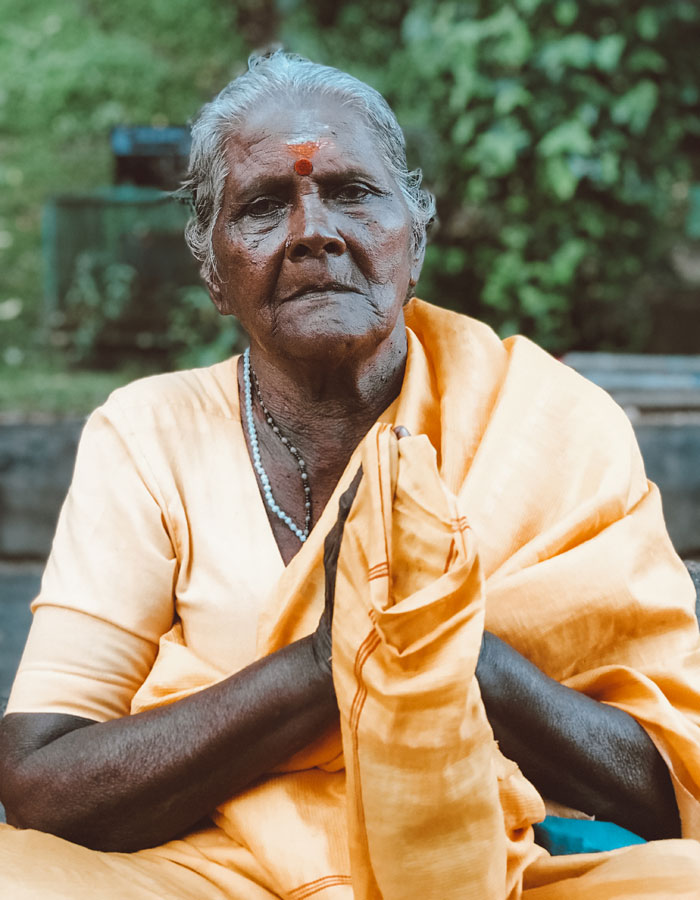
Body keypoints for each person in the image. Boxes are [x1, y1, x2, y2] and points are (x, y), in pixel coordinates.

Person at [1, 51, 700, 899]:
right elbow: (40, 779)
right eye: (262, 207)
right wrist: (320, 665)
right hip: (220, 875)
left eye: (354, 192)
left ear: (417, 235)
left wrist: (449, 645)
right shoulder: (148, 435)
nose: (313, 232)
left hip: (519, 870)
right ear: (213, 270)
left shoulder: (553, 421)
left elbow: (671, 787)